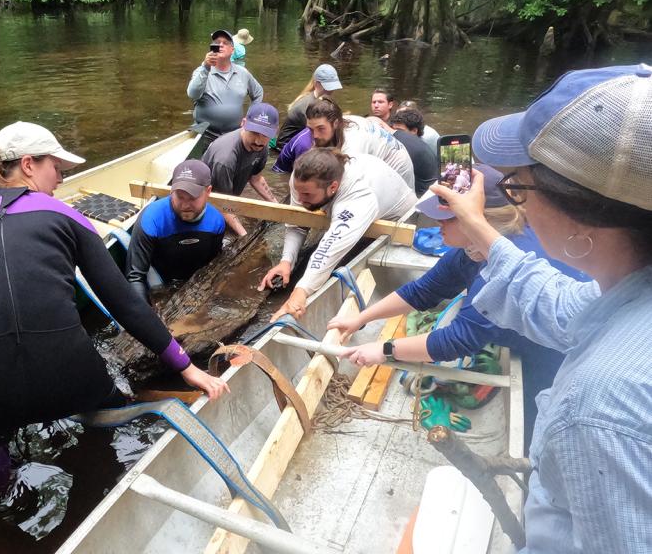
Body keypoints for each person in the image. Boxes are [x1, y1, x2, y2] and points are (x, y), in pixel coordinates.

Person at [0, 121, 228, 492]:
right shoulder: (68, 216)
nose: (60, 180)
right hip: (65, 377)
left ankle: (1, 490)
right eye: (57, 168)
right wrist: (184, 367)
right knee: (111, 410)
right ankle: (102, 482)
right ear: (28, 165)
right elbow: (123, 303)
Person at [429, 64, 652, 553]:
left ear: (579, 216)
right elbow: (556, 303)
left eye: (516, 188)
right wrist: (475, 225)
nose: (515, 208)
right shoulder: (628, 291)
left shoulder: (599, 409)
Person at [329, 165, 588, 452]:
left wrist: (383, 350)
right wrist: (361, 319)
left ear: (477, 218)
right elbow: (423, 290)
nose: (437, 224)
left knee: (536, 440)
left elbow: (457, 340)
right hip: (528, 333)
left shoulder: (504, 265)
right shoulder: (473, 248)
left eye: (447, 217)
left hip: (558, 354)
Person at [259, 148, 416, 321]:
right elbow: (298, 222)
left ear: (333, 187)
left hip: (397, 225)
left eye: (307, 195)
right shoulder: (302, 179)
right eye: (298, 192)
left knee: (335, 265)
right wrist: (286, 261)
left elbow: (330, 250)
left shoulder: (358, 197)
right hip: (349, 210)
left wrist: (300, 292)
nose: (300, 199)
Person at [126, 160, 226, 302]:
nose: (185, 205)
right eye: (179, 196)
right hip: (159, 284)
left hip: (196, 286)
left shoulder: (216, 222)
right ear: (171, 190)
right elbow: (135, 277)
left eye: (192, 198)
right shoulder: (152, 219)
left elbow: (214, 266)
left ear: (208, 191)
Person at [273, 97, 415, 190]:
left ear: (335, 123)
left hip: (397, 168)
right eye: (310, 129)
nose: (314, 135)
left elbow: (350, 182)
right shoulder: (336, 123)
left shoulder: (353, 144)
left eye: (320, 129)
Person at [202, 103, 279, 237]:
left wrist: (277, 207)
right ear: (243, 123)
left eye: (265, 135)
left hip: (227, 199)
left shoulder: (262, 147)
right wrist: (244, 234)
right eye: (254, 132)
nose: (259, 141)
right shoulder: (225, 159)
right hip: (208, 204)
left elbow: (256, 178)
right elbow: (222, 204)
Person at [187, 29, 263, 159]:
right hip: (204, 135)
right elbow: (192, 94)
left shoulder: (242, 73)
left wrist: (250, 118)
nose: (221, 45)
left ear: (232, 50)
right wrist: (206, 67)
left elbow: (258, 93)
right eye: (217, 43)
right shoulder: (201, 71)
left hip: (233, 135)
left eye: (225, 43)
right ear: (212, 48)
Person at [275, 64, 343, 150]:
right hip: (286, 148)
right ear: (316, 84)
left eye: (333, 87)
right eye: (327, 87)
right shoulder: (307, 107)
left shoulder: (320, 101)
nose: (330, 91)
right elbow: (315, 134)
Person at [389, 108, 438, 196]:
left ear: (414, 131)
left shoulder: (414, 150)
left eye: (400, 131)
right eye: (394, 130)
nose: (395, 135)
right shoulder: (420, 145)